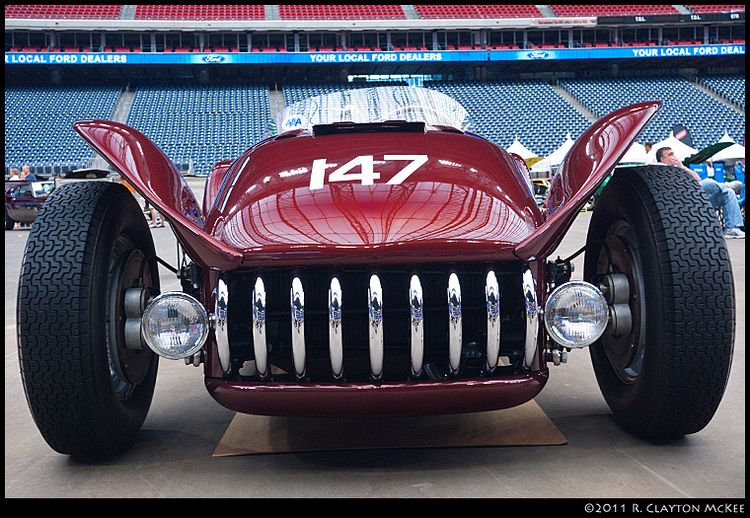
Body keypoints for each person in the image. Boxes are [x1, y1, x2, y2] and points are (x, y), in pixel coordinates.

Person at [656, 147, 744, 239]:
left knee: (728, 193)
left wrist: (681, 167)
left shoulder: (679, 168)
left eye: (673, 153)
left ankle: (731, 229)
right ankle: (725, 186)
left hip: (697, 199)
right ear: (662, 159)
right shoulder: (660, 169)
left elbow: (698, 179)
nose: (673, 156)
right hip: (681, 200)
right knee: (707, 182)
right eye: (670, 155)